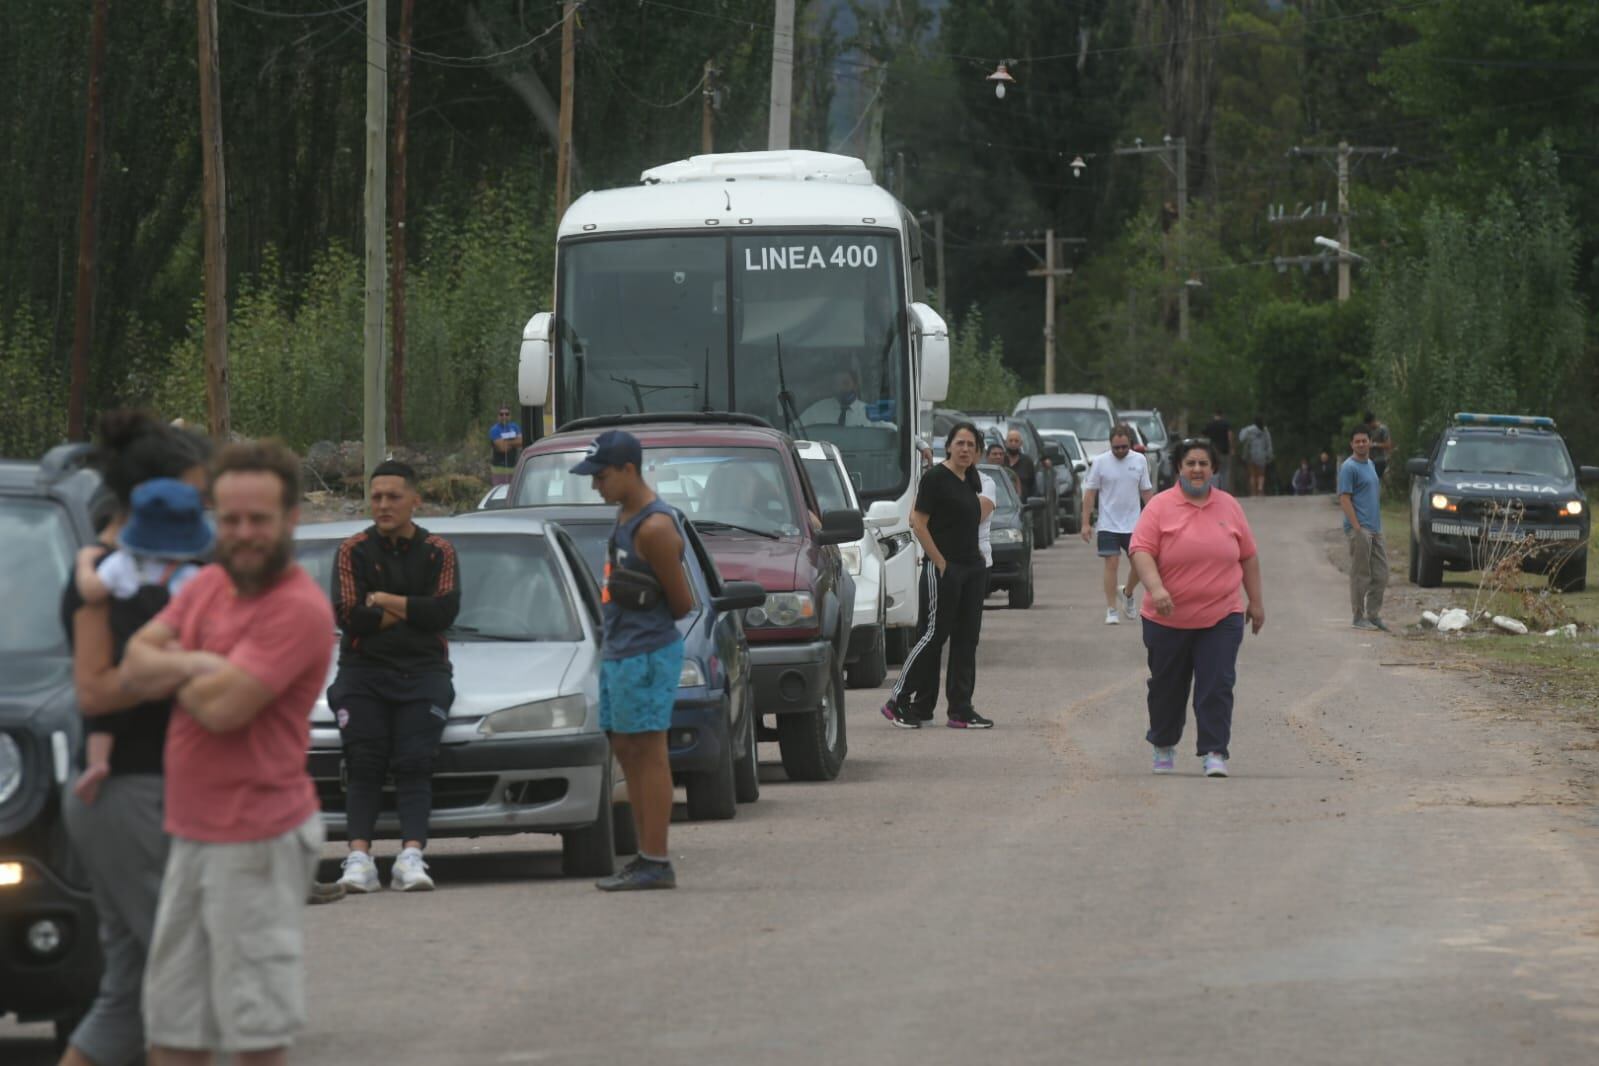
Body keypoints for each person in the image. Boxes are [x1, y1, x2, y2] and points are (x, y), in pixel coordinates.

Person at [119, 439, 334, 1065]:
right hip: (192, 831)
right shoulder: (210, 583)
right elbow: (133, 665)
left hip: (258, 838)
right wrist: (202, 662)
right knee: (172, 1032)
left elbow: (221, 711)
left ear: (291, 518)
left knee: (253, 1037)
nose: (243, 534)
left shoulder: (297, 609)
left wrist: (171, 667)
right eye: (230, 519)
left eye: (258, 520)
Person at [57, 411, 211, 1066]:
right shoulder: (102, 577)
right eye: (197, 495)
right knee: (188, 978)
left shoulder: (168, 573)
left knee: (127, 993)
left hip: (150, 790)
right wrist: (181, 669)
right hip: (129, 792)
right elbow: (95, 692)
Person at [330, 460, 460, 894]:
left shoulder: (438, 550)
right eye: (377, 497)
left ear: (415, 500)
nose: (383, 505)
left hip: (424, 672)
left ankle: (411, 856)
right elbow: (351, 617)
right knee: (363, 763)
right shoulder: (353, 550)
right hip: (363, 672)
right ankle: (359, 859)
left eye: (393, 496)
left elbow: (442, 612)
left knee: (414, 763)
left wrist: (385, 600)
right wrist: (411, 609)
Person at [573, 430, 694, 890]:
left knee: (649, 753)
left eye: (601, 476)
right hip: (620, 650)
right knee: (627, 750)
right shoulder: (625, 515)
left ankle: (656, 859)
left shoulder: (656, 526)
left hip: (648, 651)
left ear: (628, 469)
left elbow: (681, 604)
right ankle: (645, 855)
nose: (595, 485)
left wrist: (638, 595)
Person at [71, 478, 213, 806]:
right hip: (170, 659)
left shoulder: (120, 564)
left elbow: (90, 591)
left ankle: (98, 762)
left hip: (124, 657)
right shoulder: (193, 575)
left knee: (103, 714)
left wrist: (84, 561)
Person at [1129, 438, 1265, 778]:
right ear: (1179, 468)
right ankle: (1163, 744)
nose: (1197, 469)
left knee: (1217, 684)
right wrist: (1156, 588)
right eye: (1190, 463)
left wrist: (1256, 602)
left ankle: (1214, 751)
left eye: (1204, 464)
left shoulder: (1230, 506)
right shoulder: (1160, 506)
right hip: (1166, 618)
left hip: (1221, 615)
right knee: (1166, 688)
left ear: (1213, 469)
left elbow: (1247, 555)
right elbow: (1141, 551)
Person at [881, 422, 993, 729]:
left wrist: (977, 560)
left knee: (966, 640)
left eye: (971, 444)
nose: (965, 449)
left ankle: (960, 709)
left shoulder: (970, 479)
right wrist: (940, 561)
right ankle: (899, 700)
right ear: (950, 446)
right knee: (932, 636)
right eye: (960, 443)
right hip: (944, 569)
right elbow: (918, 522)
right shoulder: (935, 478)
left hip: (972, 569)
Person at [1081, 424, 1154, 625]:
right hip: (1107, 524)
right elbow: (1090, 494)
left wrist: (1157, 518)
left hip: (1134, 524)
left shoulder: (1139, 461)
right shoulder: (1100, 462)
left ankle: (1128, 593)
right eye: (1116, 448)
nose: (1120, 451)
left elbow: (1146, 492)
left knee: (1140, 565)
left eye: (1124, 447)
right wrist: (1085, 523)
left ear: (1130, 443)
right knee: (1111, 563)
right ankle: (1111, 608)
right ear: (1110, 444)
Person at [1339, 426, 1388, 631]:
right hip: (1360, 529)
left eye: (1364, 440)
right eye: (1357, 441)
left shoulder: (1370, 464)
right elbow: (1344, 498)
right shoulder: (1348, 468)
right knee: (1361, 574)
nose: (1361, 444)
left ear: (1369, 442)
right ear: (1352, 444)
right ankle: (1358, 617)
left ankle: (1373, 614)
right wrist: (1357, 528)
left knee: (1381, 574)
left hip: (1375, 528)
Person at [799, 369, 874, 427]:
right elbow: (794, 429)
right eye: (837, 384)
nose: (841, 388)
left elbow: (885, 430)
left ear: (856, 386)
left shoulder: (868, 412)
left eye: (846, 383)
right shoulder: (818, 410)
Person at [1237, 415, 1274, 497]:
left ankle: (1253, 491)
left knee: (1252, 474)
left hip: (1251, 454)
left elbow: (1241, 438)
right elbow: (1269, 443)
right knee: (1261, 474)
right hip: (1262, 455)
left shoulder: (1249, 430)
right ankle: (1260, 489)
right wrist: (1270, 454)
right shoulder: (1265, 430)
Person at [489, 404, 523, 486]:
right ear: (498, 416)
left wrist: (506, 442)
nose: (504, 416)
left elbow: (521, 442)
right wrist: (514, 441)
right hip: (499, 470)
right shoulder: (494, 430)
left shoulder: (515, 427)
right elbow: (502, 448)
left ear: (510, 416)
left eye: (507, 414)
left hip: (514, 468)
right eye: (501, 414)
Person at [1201, 409, 1234, 491]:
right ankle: (1224, 489)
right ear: (1222, 415)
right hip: (1224, 450)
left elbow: (1204, 436)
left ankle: (1214, 489)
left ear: (1214, 414)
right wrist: (1231, 448)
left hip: (1212, 451)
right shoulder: (1226, 424)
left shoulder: (1209, 424)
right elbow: (1229, 436)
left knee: (1213, 469)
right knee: (1225, 471)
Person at [1002, 427, 1038, 500]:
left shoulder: (1027, 462)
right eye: (1011, 440)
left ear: (1021, 443)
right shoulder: (1001, 460)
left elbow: (1033, 486)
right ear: (1005, 443)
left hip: (1024, 505)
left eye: (1016, 441)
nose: (1013, 443)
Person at [1364, 410, 1391, 481]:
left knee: (1375, 481)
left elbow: (1388, 445)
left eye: (1370, 424)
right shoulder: (1368, 430)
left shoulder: (1382, 429)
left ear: (1373, 421)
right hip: (1369, 460)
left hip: (1380, 459)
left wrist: (1374, 445)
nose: (1369, 426)